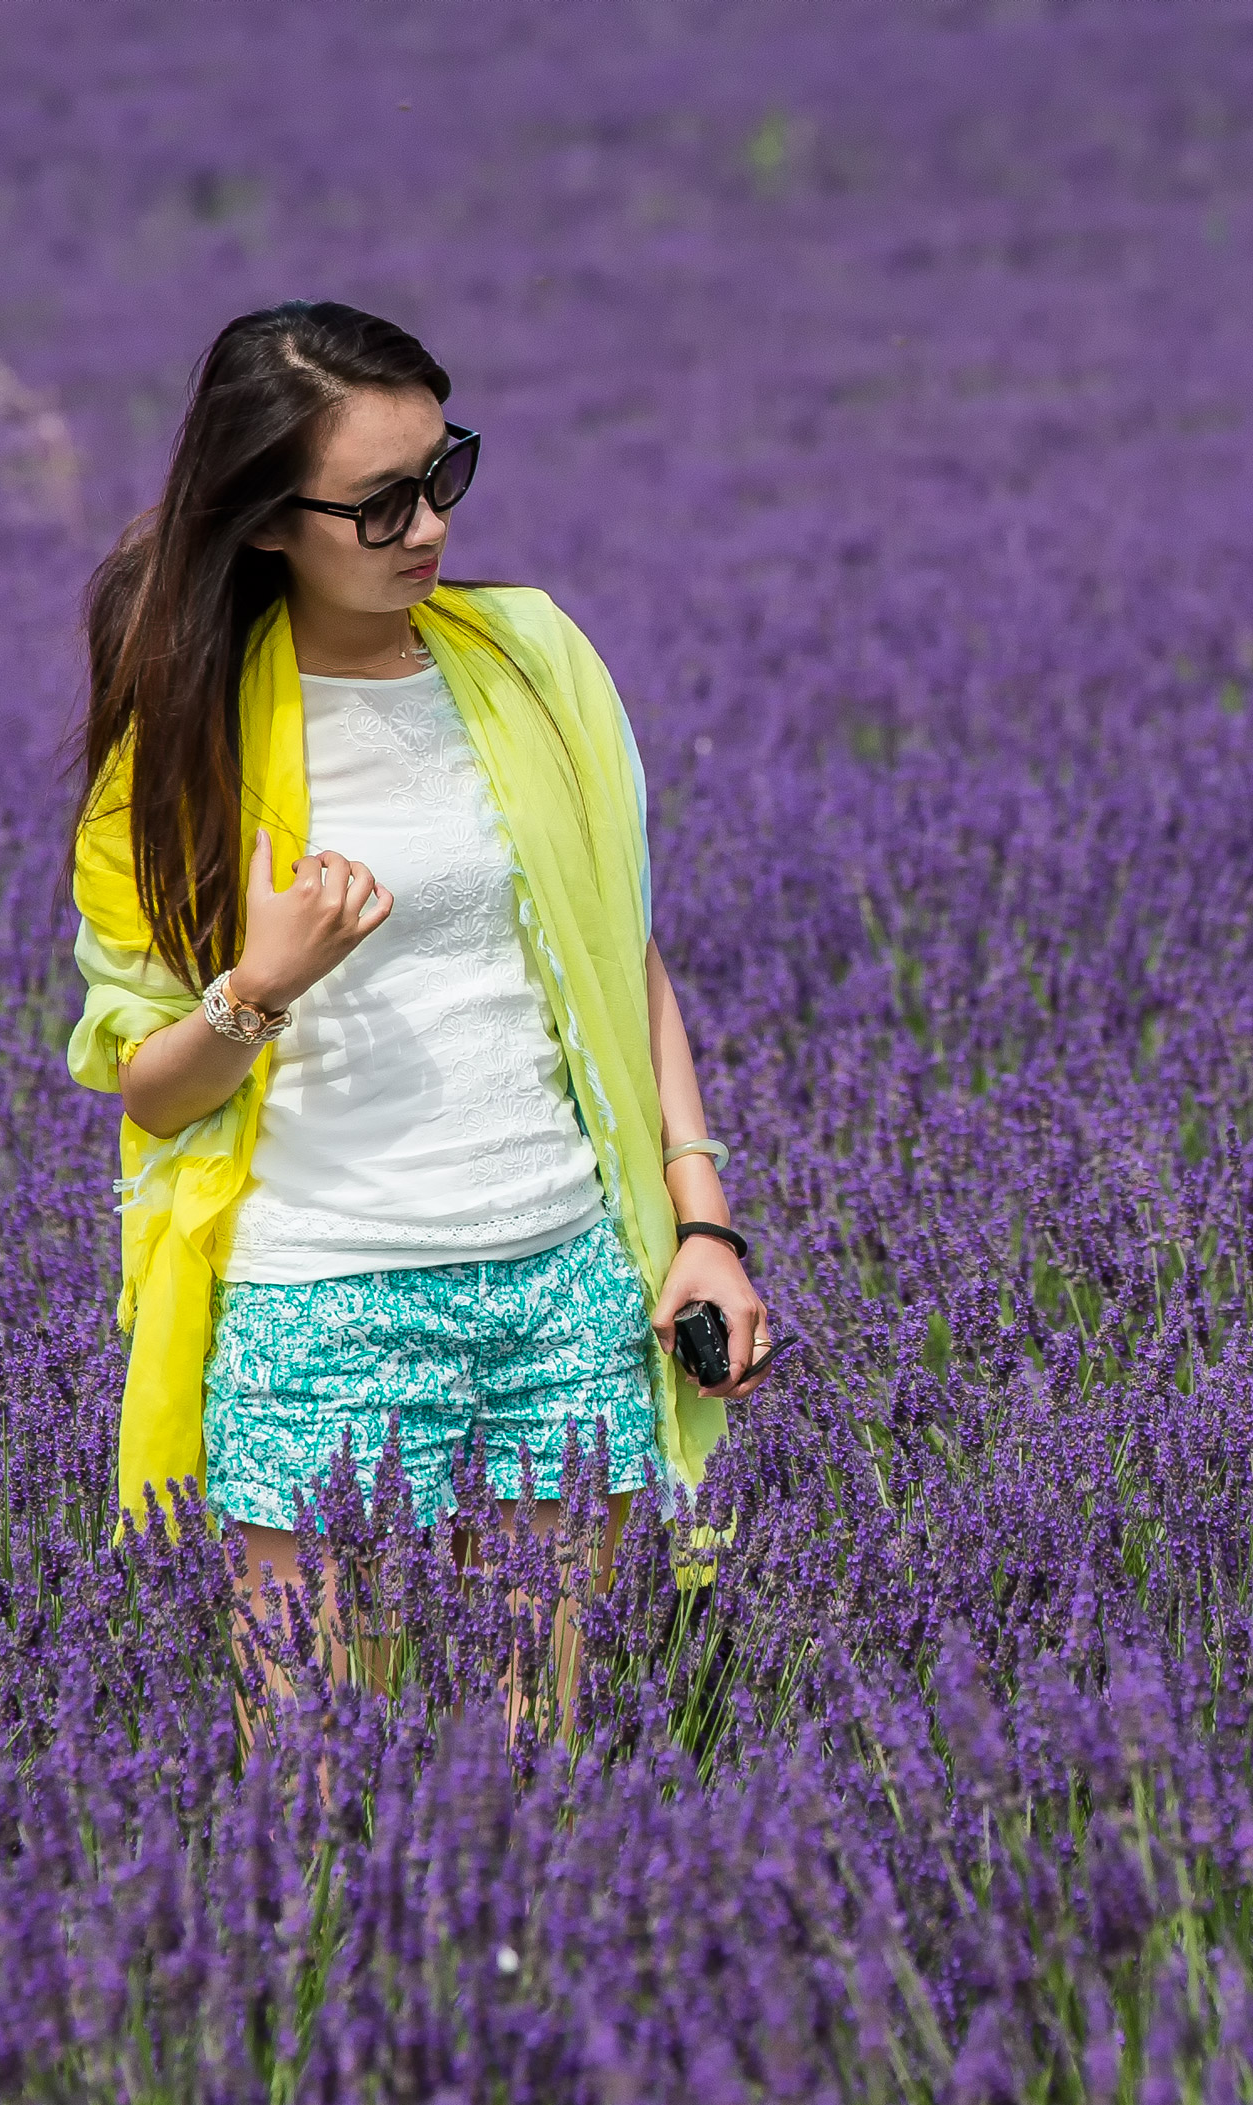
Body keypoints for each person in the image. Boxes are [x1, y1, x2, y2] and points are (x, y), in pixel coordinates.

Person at [66, 299, 768, 1623]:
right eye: (378, 504)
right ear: (268, 518)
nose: (431, 527)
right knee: (320, 1792)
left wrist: (702, 1223)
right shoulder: (182, 753)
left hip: (562, 1282)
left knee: (531, 1781)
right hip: (324, 1299)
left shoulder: (529, 663)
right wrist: (260, 982)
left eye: (442, 473)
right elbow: (151, 1092)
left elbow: (621, 952)